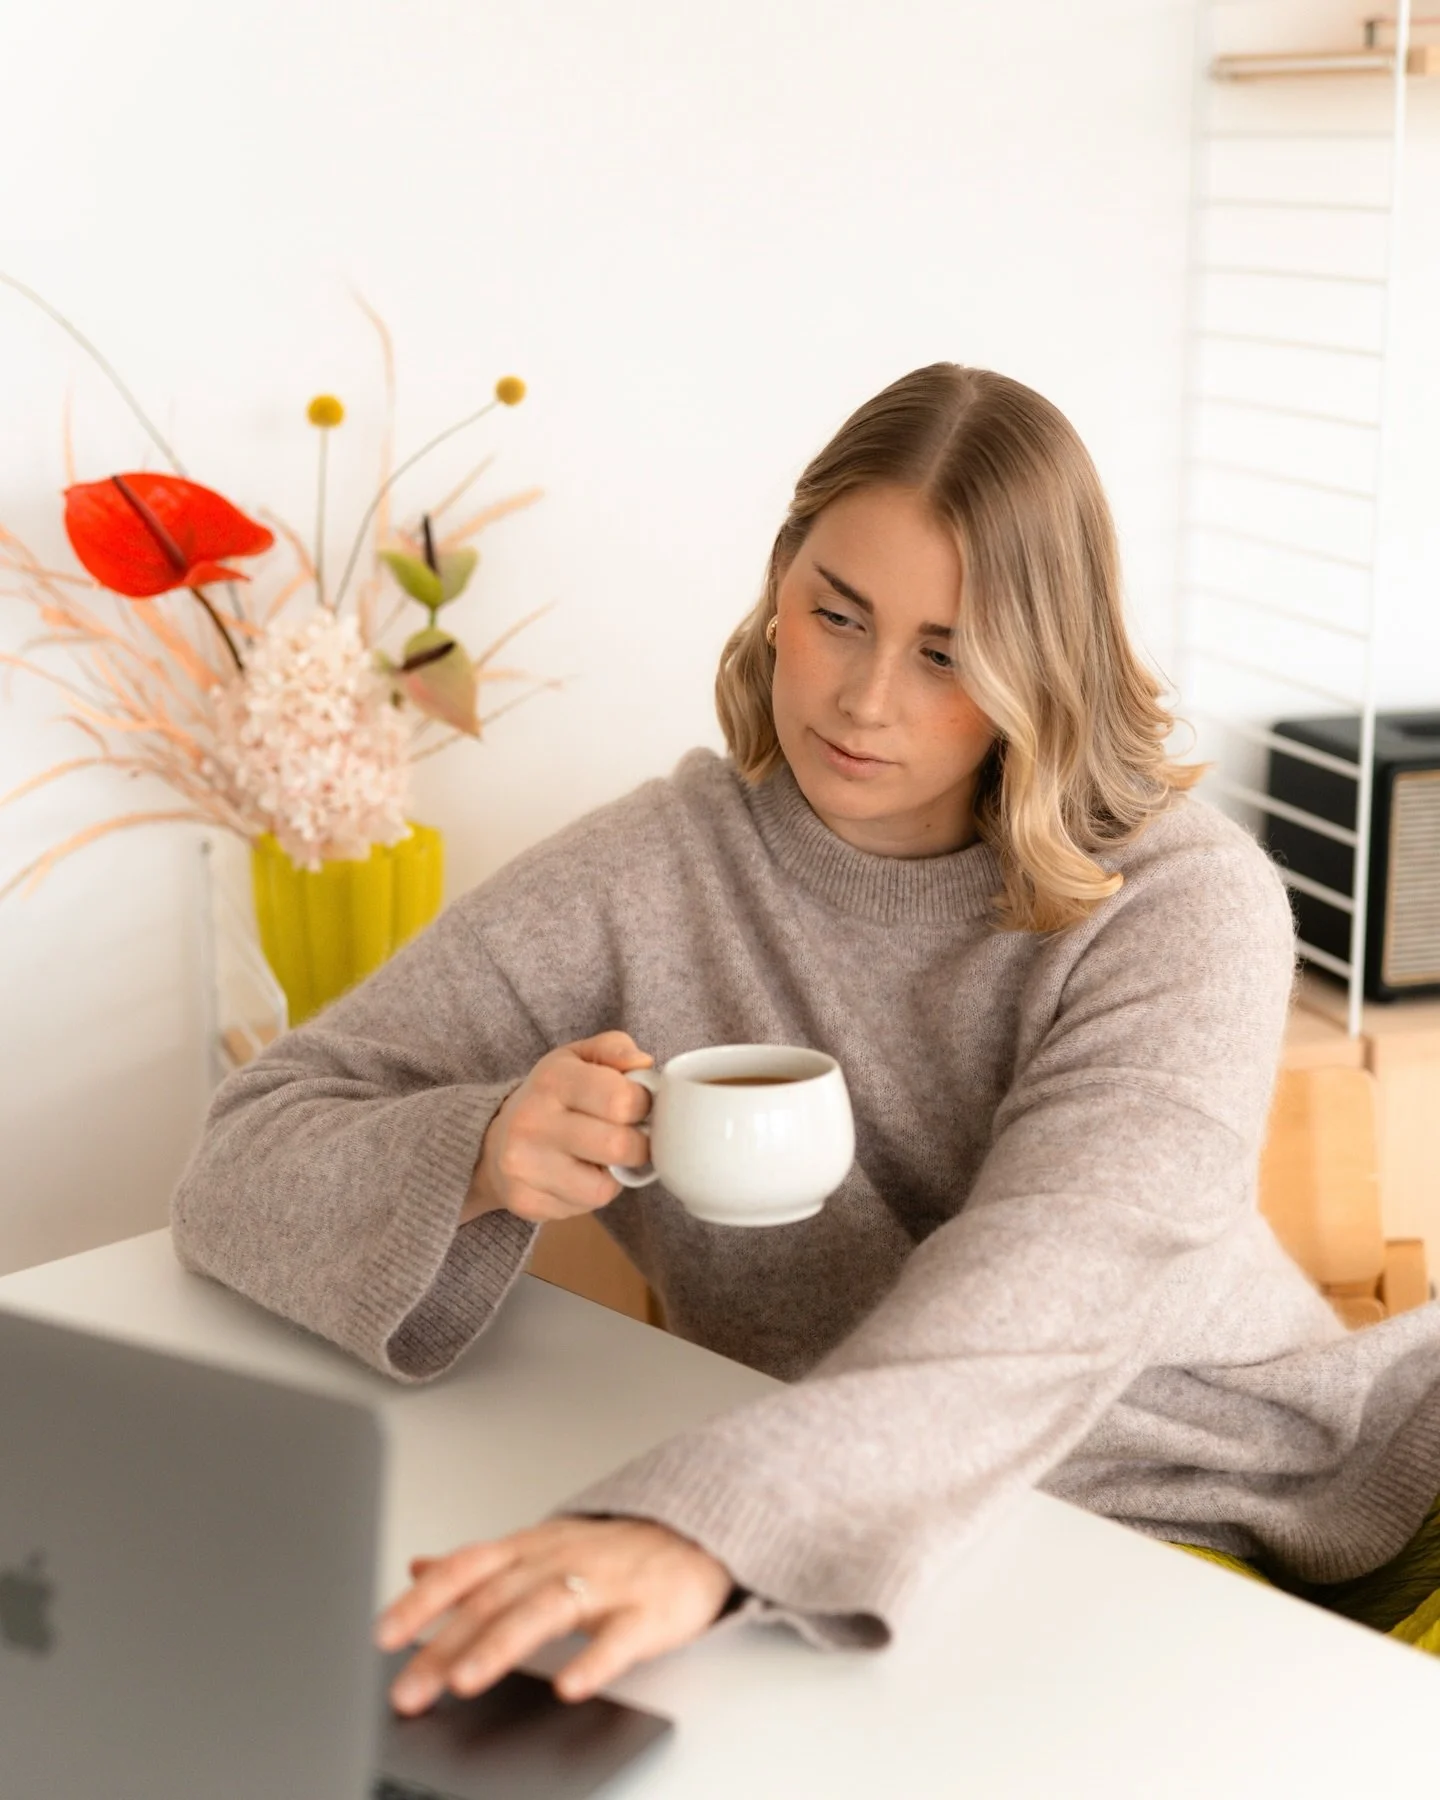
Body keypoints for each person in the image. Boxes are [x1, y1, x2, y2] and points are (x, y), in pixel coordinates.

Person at [171, 363, 1440, 1717]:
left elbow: (1056, 1274)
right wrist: (479, 1150)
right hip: (870, 1545)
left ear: (1042, 664)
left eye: (947, 653)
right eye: (839, 616)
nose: (866, 698)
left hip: (1269, 1505)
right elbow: (240, 1158)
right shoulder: (642, 878)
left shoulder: (1181, 903)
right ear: (781, 588)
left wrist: (701, 1530)